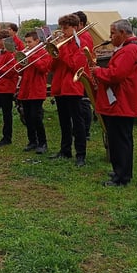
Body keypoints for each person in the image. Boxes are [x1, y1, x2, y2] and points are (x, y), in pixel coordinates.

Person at [91, 19, 137, 186]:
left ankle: (121, 177)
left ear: (123, 33)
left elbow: (116, 75)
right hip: (121, 100)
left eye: (113, 33)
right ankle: (120, 170)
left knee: (120, 140)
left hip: (121, 101)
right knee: (119, 138)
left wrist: (98, 71)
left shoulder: (129, 50)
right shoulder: (128, 49)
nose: (110, 37)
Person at [49, 14, 88, 167]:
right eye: (62, 28)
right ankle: (65, 150)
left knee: (77, 122)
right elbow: (51, 67)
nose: (63, 32)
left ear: (75, 28)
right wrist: (54, 54)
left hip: (73, 87)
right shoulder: (62, 44)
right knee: (64, 121)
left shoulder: (81, 44)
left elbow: (75, 66)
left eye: (66, 28)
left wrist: (62, 49)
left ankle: (81, 154)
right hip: (60, 87)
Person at [17, 30, 51, 154]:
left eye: (30, 42)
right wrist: (20, 62)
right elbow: (20, 71)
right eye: (26, 42)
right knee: (27, 116)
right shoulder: (27, 53)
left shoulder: (44, 53)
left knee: (36, 117)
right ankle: (32, 141)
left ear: (37, 41)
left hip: (37, 89)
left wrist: (31, 56)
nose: (27, 45)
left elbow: (43, 68)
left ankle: (43, 142)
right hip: (25, 88)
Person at [74, 11, 95, 141]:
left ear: (81, 24)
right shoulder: (79, 35)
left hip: (84, 73)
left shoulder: (84, 36)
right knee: (80, 104)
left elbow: (83, 55)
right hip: (80, 73)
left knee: (84, 103)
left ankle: (85, 131)